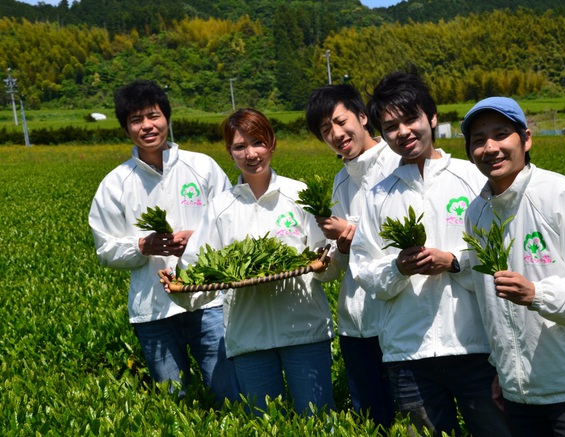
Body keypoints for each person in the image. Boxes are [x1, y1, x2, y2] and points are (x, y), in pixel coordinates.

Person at [349, 71, 510, 437]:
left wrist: (453, 262)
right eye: (390, 126)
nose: (402, 132)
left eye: (411, 119)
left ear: (432, 118)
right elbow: (365, 271)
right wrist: (397, 268)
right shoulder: (376, 196)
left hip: (473, 344)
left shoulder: (474, 179)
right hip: (408, 354)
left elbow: (500, 254)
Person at [460, 96, 565, 436]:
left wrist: (538, 293)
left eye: (500, 134)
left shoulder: (563, 194)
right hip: (520, 391)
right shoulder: (475, 213)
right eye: (478, 139)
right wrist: (503, 369)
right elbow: (489, 303)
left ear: (526, 139)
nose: (490, 147)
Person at [88, 79, 240, 405]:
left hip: (208, 300)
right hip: (153, 309)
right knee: (174, 402)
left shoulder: (203, 167)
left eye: (153, 116)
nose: (147, 126)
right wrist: (141, 247)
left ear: (167, 118)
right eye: (136, 120)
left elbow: (232, 224)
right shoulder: (115, 184)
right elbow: (105, 249)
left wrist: (197, 241)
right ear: (125, 128)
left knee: (228, 393)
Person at [178, 108, 335, 416]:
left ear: (272, 143)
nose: (250, 153)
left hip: (305, 330)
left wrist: (326, 261)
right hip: (248, 338)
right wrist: (178, 287)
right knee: (265, 425)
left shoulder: (298, 194)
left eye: (258, 142)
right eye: (240, 146)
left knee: (318, 422)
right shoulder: (221, 207)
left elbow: (325, 260)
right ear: (229, 152)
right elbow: (197, 271)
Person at [305, 84, 399, 429]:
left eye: (340, 121)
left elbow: (411, 238)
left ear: (363, 117)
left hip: (399, 316)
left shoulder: (398, 163)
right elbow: (338, 262)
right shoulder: (340, 182)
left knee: (414, 415)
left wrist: (354, 233)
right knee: (374, 419)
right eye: (325, 130)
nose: (336, 134)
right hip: (356, 322)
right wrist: (338, 247)